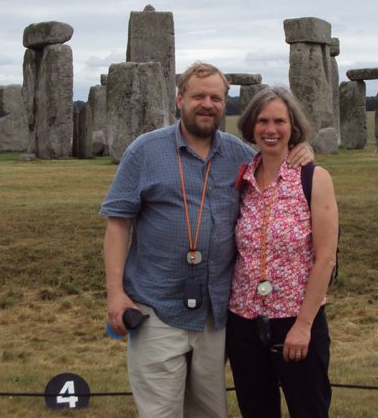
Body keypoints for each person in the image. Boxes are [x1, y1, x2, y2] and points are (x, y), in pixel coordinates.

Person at [99, 63, 313, 418]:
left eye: (216, 97)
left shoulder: (241, 156)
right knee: (161, 413)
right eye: (199, 96)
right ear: (180, 99)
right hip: (157, 310)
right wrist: (116, 294)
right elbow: (118, 224)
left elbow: (280, 163)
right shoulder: (145, 151)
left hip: (215, 316)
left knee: (211, 412)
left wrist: (302, 151)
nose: (207, 104)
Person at [226, 86, 339, 418]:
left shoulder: (313, 178)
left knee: (309, 410)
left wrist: (303, 325)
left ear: (294, 127)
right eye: (262, 121)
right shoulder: (241, 177)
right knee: (255, 410)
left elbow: (326, 258)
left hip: (296, 319)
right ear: (251, 126)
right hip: (244, 320)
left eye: (279, 121)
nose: (270, 129)